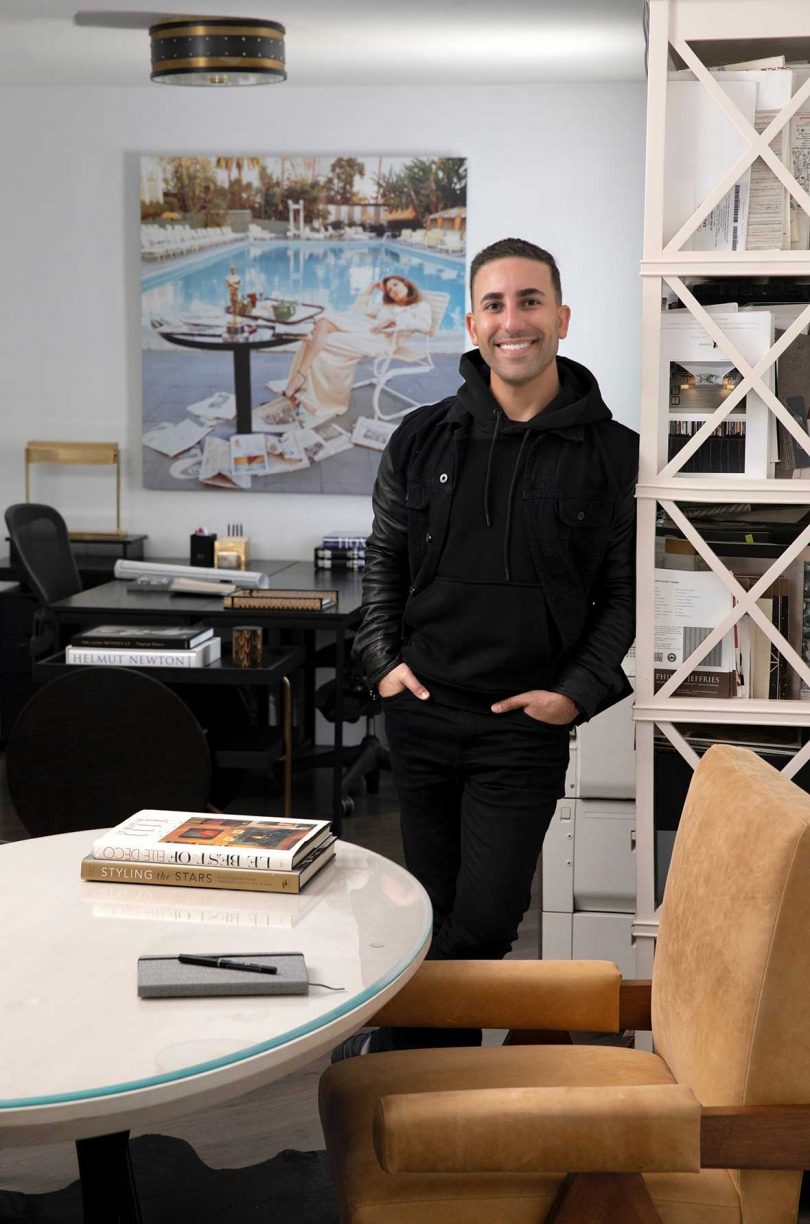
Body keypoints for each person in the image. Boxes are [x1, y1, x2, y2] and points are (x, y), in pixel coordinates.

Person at [333, 237, 639, 1060]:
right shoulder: (421, 438)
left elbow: (624, 596)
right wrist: (383, 664)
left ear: (562, 318)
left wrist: (575, 693)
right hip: (423, 716)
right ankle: (436, 1089)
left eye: (531, 302)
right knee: (430, 912)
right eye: (496, 305)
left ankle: (410, 1062)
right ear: (473, 323)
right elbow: (383, 561)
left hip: (523, 729)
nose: (515, 321)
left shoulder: (615, 454)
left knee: (485, 920)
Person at [276, 275, 432, 418]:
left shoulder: (420, 306)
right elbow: (360, 309)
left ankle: (305, 386)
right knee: (321, 326)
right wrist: (371, 287)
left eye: (395, 285)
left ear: (406, 283)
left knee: (320, 341)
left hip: (381, 341)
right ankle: (301, 377)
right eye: (390, 289)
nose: (393, 291)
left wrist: (393, 321)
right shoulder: (387, 306)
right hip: (365, 331)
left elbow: (425, 326)